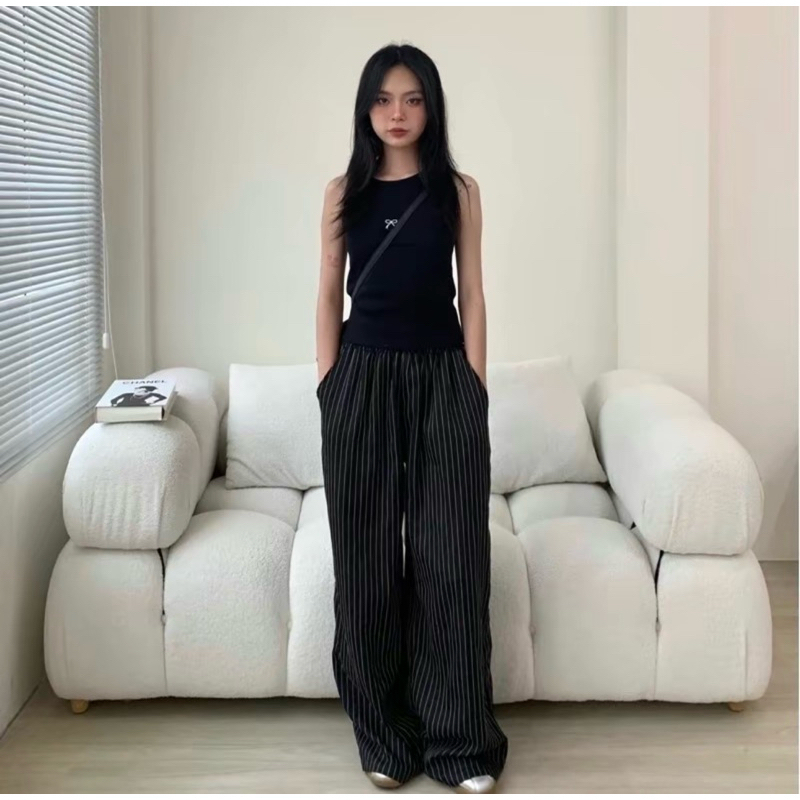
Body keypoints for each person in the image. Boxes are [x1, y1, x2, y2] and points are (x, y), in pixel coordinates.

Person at [315, 43, 508, 794]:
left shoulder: (459, 191)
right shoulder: (343, 193)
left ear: (432, 108)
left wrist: (474, 385)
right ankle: (386, 736)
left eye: (413, 99)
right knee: (365, 564)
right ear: (366, 109)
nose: (397, 113)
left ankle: (460, 744)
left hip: (442, 376)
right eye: (383, 99)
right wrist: (329, 383)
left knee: (451, 560)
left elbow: (475, 293)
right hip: (361, 380)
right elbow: (328, 290)